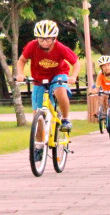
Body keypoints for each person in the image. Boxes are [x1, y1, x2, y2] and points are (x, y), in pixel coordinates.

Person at [15, 19, 80, 148]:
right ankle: (39, 146)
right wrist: (20, 74)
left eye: (48, 39)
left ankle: (65, 119)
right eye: (41, 39)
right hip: (39, 79)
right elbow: (21, 60)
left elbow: (76, 62)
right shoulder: (32, 46)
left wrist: (73, 76)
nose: (44, 42)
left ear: (54, 38)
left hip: (58, 75)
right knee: (37, 117)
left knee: (60, 90)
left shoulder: (60, 48)